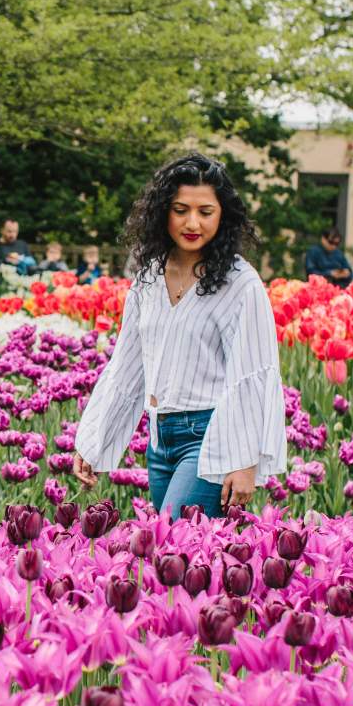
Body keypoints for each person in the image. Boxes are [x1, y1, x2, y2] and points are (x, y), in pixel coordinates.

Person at [72, 152, 286, 518]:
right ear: (162, 212)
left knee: (173, 540)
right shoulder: (148, 278)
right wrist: (95, 440)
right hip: (159, 439)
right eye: (180, 209)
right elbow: (127, 363)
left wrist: (244, 459)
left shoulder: (239, 283)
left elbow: (254, 371)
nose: (192, 222)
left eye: (205, 212)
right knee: (176, 563)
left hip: (210, 436)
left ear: (223, 216)